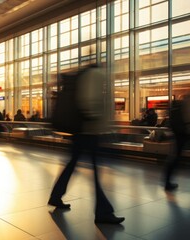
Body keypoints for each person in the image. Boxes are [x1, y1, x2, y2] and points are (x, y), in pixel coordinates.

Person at [48, 64, 125, 224]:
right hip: (89, 131)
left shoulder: (85, 75)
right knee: (96, 173)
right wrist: (95, 121)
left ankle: (56, 196)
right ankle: (103, 212)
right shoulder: (96, 74)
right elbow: (90, 100)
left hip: (81, 130)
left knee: (73, 164)